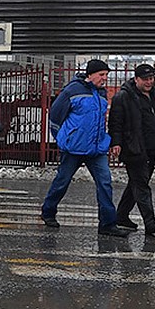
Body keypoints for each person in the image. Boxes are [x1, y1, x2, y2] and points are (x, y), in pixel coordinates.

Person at [40, 59, 129, 236]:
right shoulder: (72, 90)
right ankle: (48, 212)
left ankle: (107, 224)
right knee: (62, 182)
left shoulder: (102, 93)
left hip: (96, 149)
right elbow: (55, 116)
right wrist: (63, 138)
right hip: (74, 148)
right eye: (102, 75)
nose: (105, 78)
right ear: (90, 75)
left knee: (105, 183)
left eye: (106, 75)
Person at [108, 63, 155, 236]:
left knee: (136, 183)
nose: (149, 82)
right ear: (136, 79)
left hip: (152, 148)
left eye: (151, 78)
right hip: (133, 147)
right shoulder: (123, 96)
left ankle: (121, 215)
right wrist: (116, 143)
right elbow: (115, 123)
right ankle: (150, 223)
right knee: (141, 185)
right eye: (145, 79)